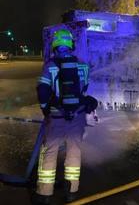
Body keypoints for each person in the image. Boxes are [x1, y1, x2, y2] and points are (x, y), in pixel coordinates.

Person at [32, 29, 98, 205]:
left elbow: (42, 90)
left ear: (55, 44)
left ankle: (45, 193)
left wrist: (46, 110)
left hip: (56, 118)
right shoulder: (83, 65)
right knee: (74, 153)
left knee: (49, 153)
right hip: (77, 117)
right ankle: (71, 192)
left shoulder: (50, 65)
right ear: (71, 44)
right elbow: (83, 90)